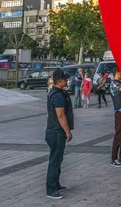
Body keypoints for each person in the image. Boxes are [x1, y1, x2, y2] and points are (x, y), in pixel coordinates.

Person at [45, 68, 74, 200]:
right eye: (65, 79)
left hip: (54, 131)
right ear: (59, 81)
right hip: (56, 132)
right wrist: (68, 132)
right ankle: (51, 189)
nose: (67, 81)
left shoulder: (58, 92)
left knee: (58, 159)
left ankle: (56, 184)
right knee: (55, 161)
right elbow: (60, 115)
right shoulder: (57, 95)